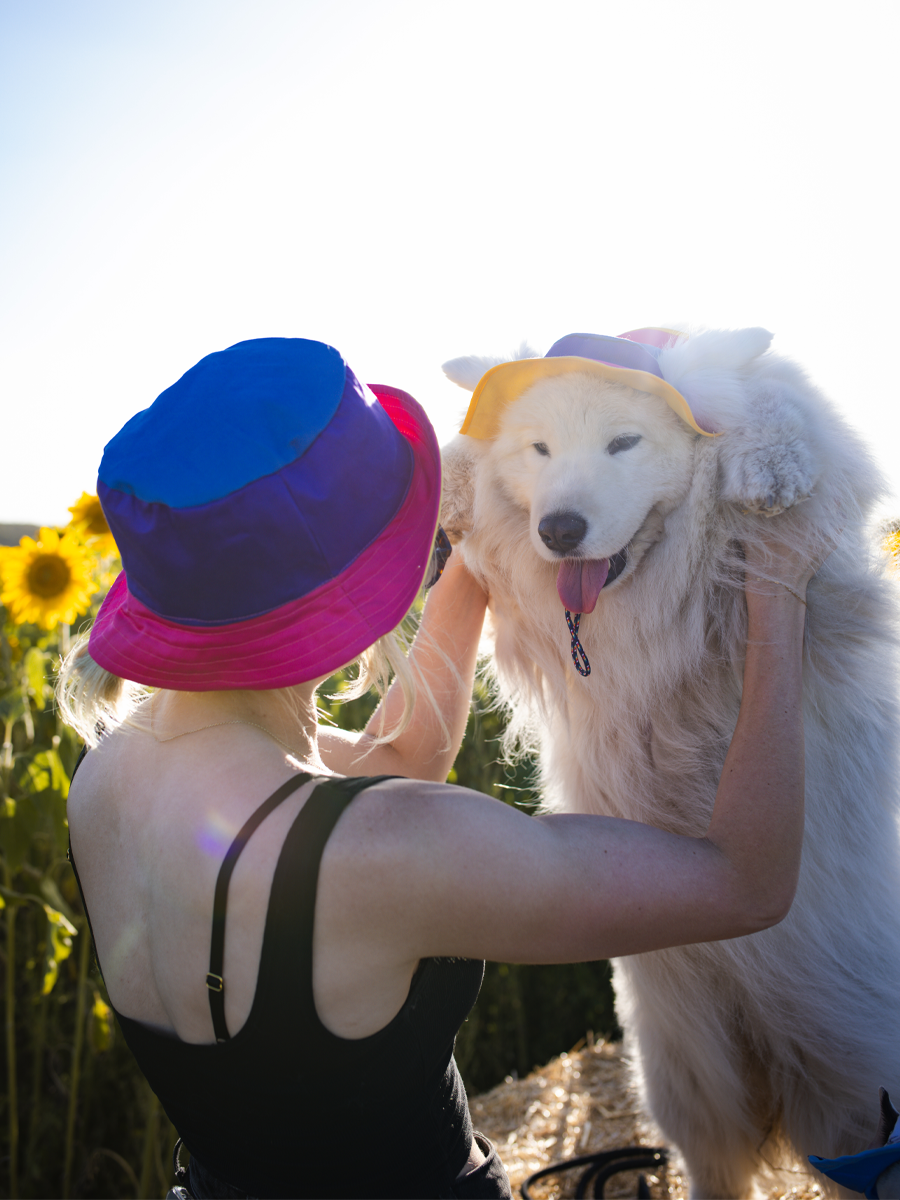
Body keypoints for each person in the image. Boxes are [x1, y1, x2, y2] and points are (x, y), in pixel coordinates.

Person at [59, 336, 812, 1200]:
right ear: (343, 583)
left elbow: (399, 757)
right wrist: (778, 592)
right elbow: (745, 883)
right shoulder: (396, 847)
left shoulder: (111, 772)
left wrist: (481, 558)